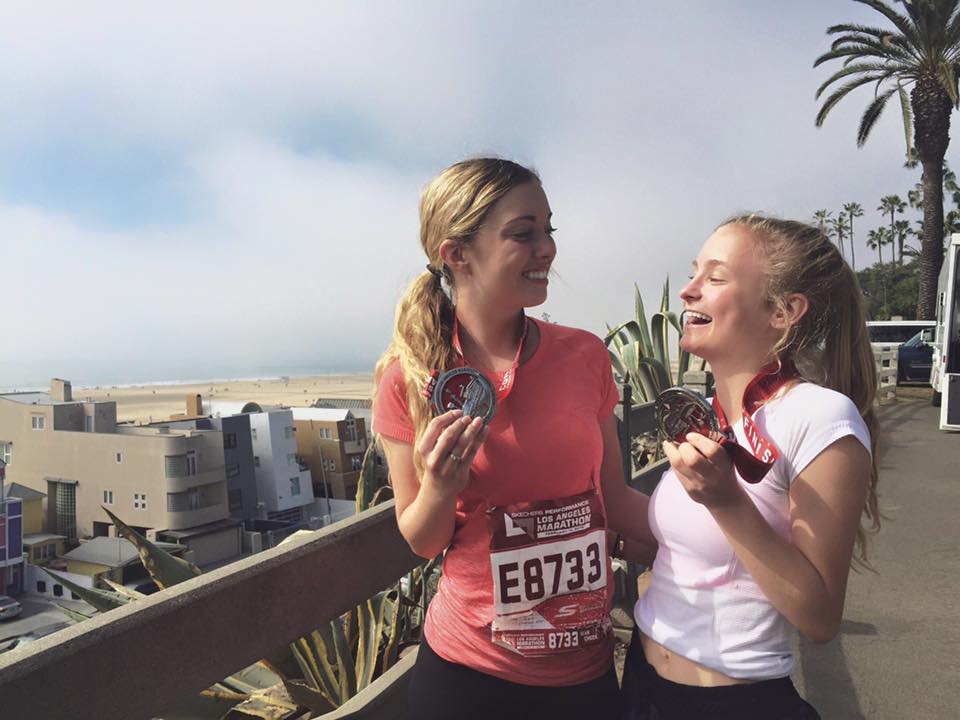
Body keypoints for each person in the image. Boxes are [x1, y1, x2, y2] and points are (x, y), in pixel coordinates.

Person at [372, 158, 655, 720]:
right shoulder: (410, 379)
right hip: (467, 676)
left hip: (584, 671)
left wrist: (723, 530)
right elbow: (423, 540)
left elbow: (616, 498)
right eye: (523, 233)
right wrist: (440, 487)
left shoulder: (585, 355)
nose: (547, 248)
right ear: (457, 254)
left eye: (549, 229)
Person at [621, 215, 880, 719]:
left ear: (783, 311)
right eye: (694, 273)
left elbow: (819, 617)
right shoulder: (710, 415)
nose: (688, 291)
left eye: (715, 277)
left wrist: (726, 501)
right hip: (641, 682)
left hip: (730, 703)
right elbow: (697, 557)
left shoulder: (819, 416)